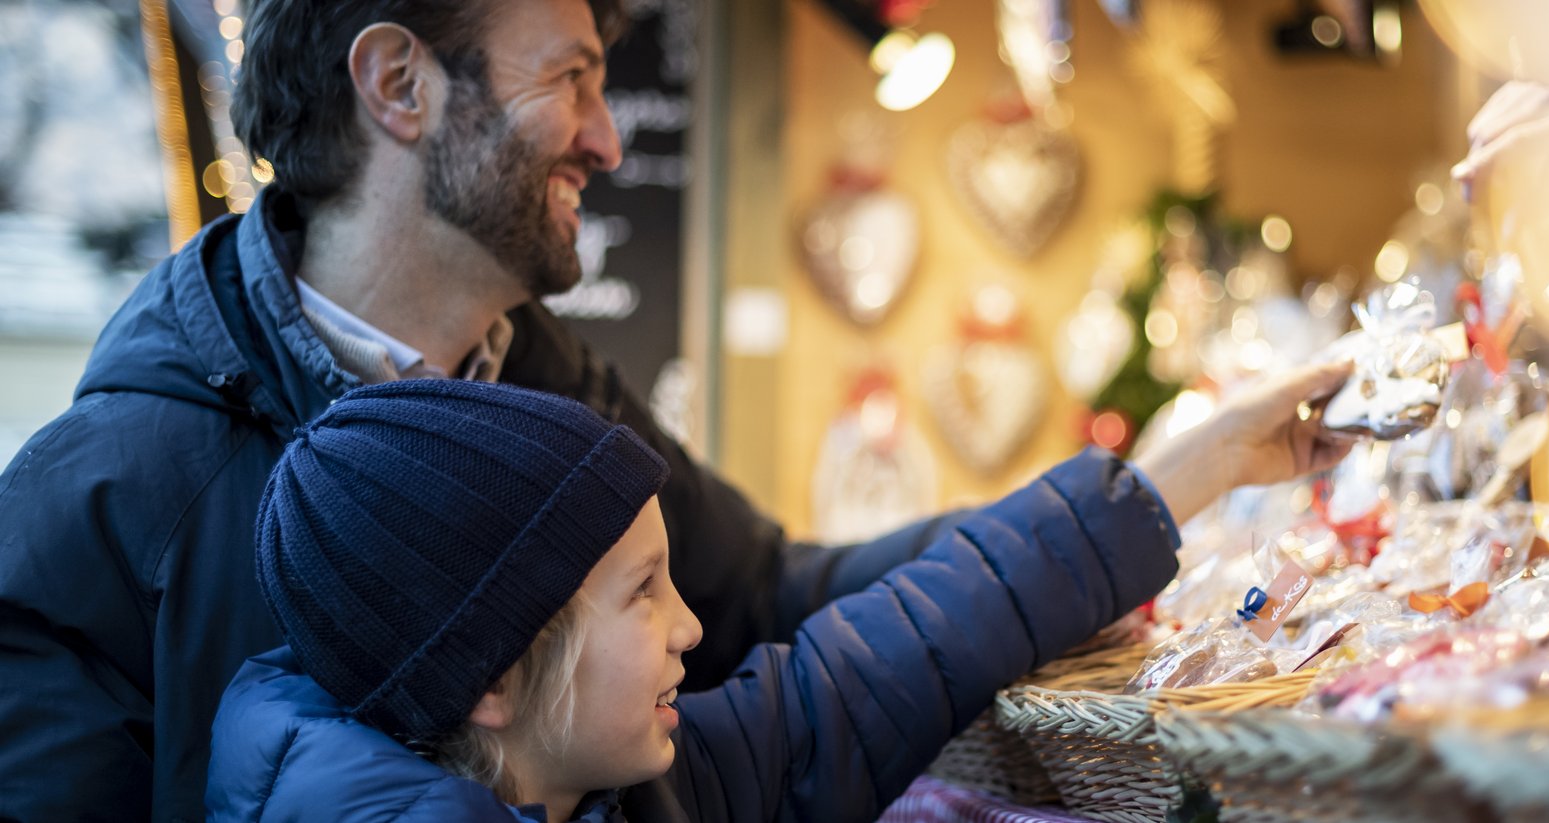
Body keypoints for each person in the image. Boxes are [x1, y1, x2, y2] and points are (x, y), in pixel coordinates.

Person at [0, 1, 1355, 819]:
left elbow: (779, 605)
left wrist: (1157, 486)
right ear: (399, 86)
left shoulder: (540, 377)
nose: (606, 135)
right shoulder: (112, 494)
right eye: (569, 77)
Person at [206, 379, 1229, 821]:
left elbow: (868, 667)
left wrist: (1191, 472)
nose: (691, 625)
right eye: (643, 592)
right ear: (494, 673)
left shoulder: (618, 784)